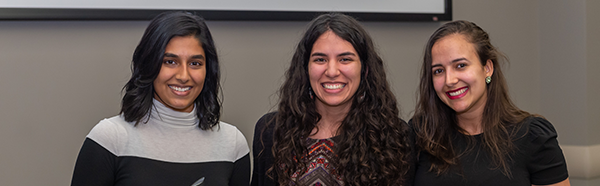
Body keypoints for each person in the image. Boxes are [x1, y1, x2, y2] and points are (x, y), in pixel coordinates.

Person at [71, 11, 250, 186]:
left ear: (208, 71)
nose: (183, 76)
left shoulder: (233, 144)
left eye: (195, 63)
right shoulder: (110, 139)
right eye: (170, 62)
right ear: (149, 64)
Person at [251, 13, 413, 186]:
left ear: (364, 69)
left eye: (345, 59)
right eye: (320, 59)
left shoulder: (395, 135)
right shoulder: (271, 131)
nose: (332, 71)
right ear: (305, 69)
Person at [411, 20, 570, 186]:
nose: (449, 80)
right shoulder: (420, 134)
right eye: (438, 71)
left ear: (487, 68)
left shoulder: (533, 136)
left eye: (460, 65)